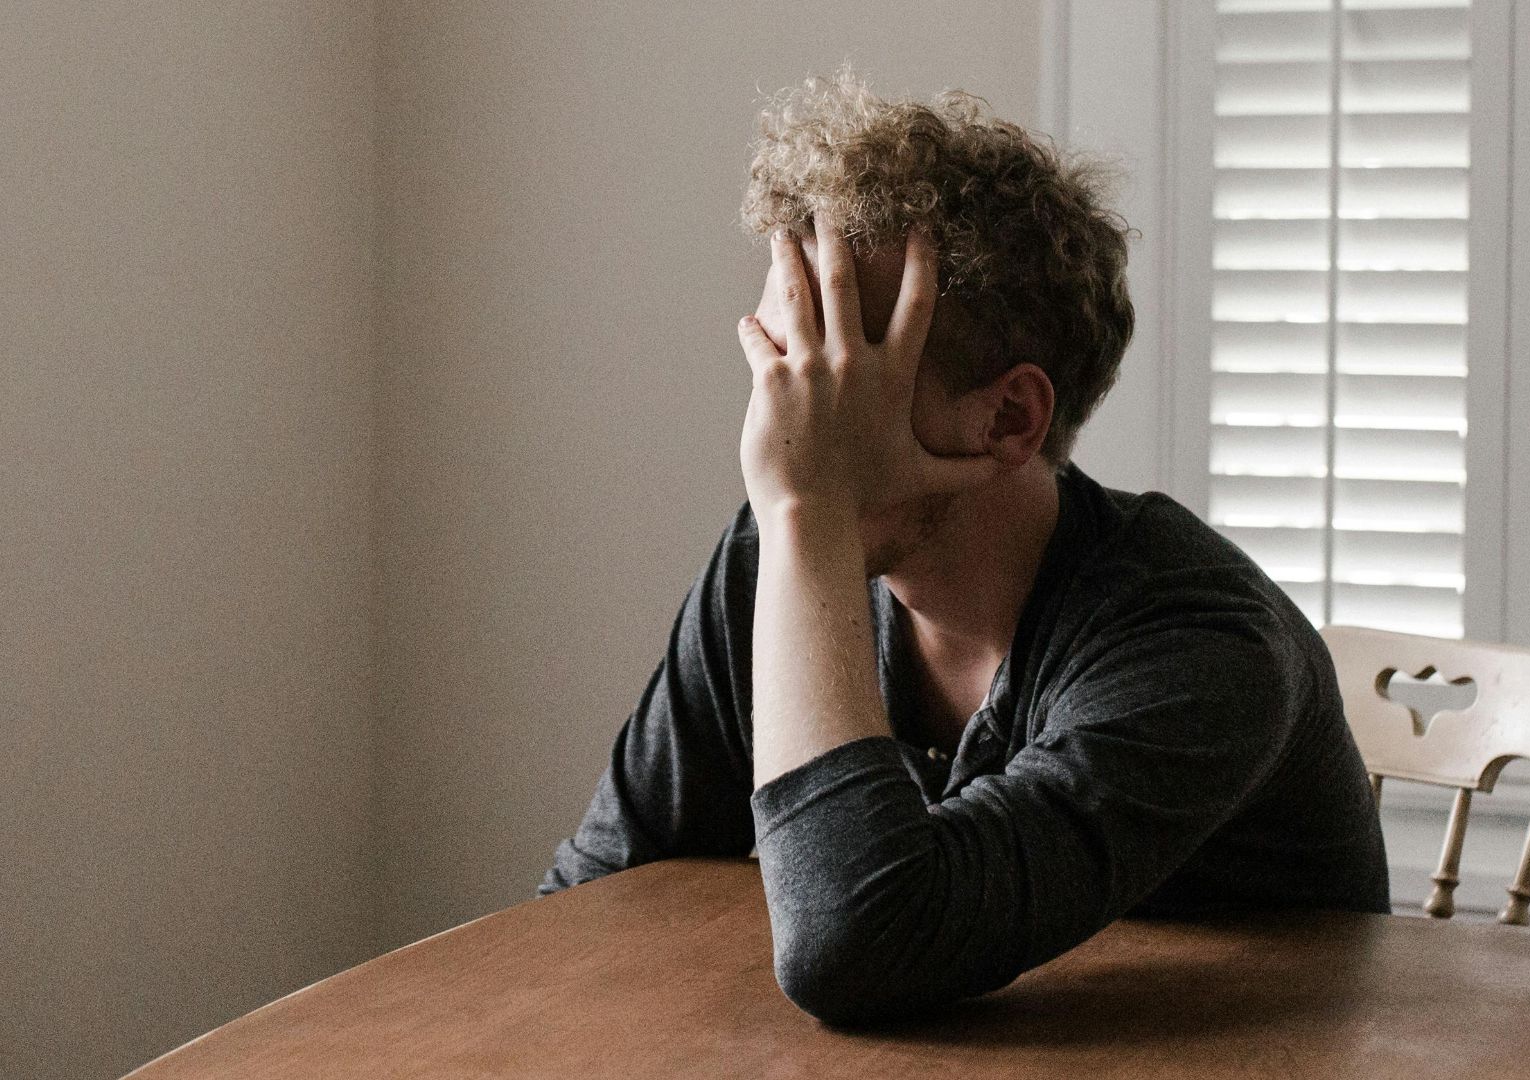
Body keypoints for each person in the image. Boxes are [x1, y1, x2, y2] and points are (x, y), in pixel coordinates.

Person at [540, 69, 1388, 1025]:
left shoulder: (1203, 645)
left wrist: (808, 513)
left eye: (833, 369)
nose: (778, 423)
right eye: (778, 362)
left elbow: (855, 945)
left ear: (1009, 416)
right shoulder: (778, 555)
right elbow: (589, 904)